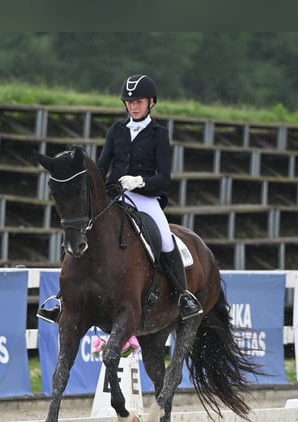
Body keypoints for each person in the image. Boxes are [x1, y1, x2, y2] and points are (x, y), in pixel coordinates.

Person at [37, 73, 202, 324]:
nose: (133, 106)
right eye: (130, 102)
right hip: (116, 197)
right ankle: (61, 298)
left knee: (166, 240)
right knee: (84, 233)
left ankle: (183, 295)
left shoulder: (158, 133)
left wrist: (140, 181)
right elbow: (102, 167)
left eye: (139, 102)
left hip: (145, 198)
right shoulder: (117, 130)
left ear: (151, 103)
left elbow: (165, 177)